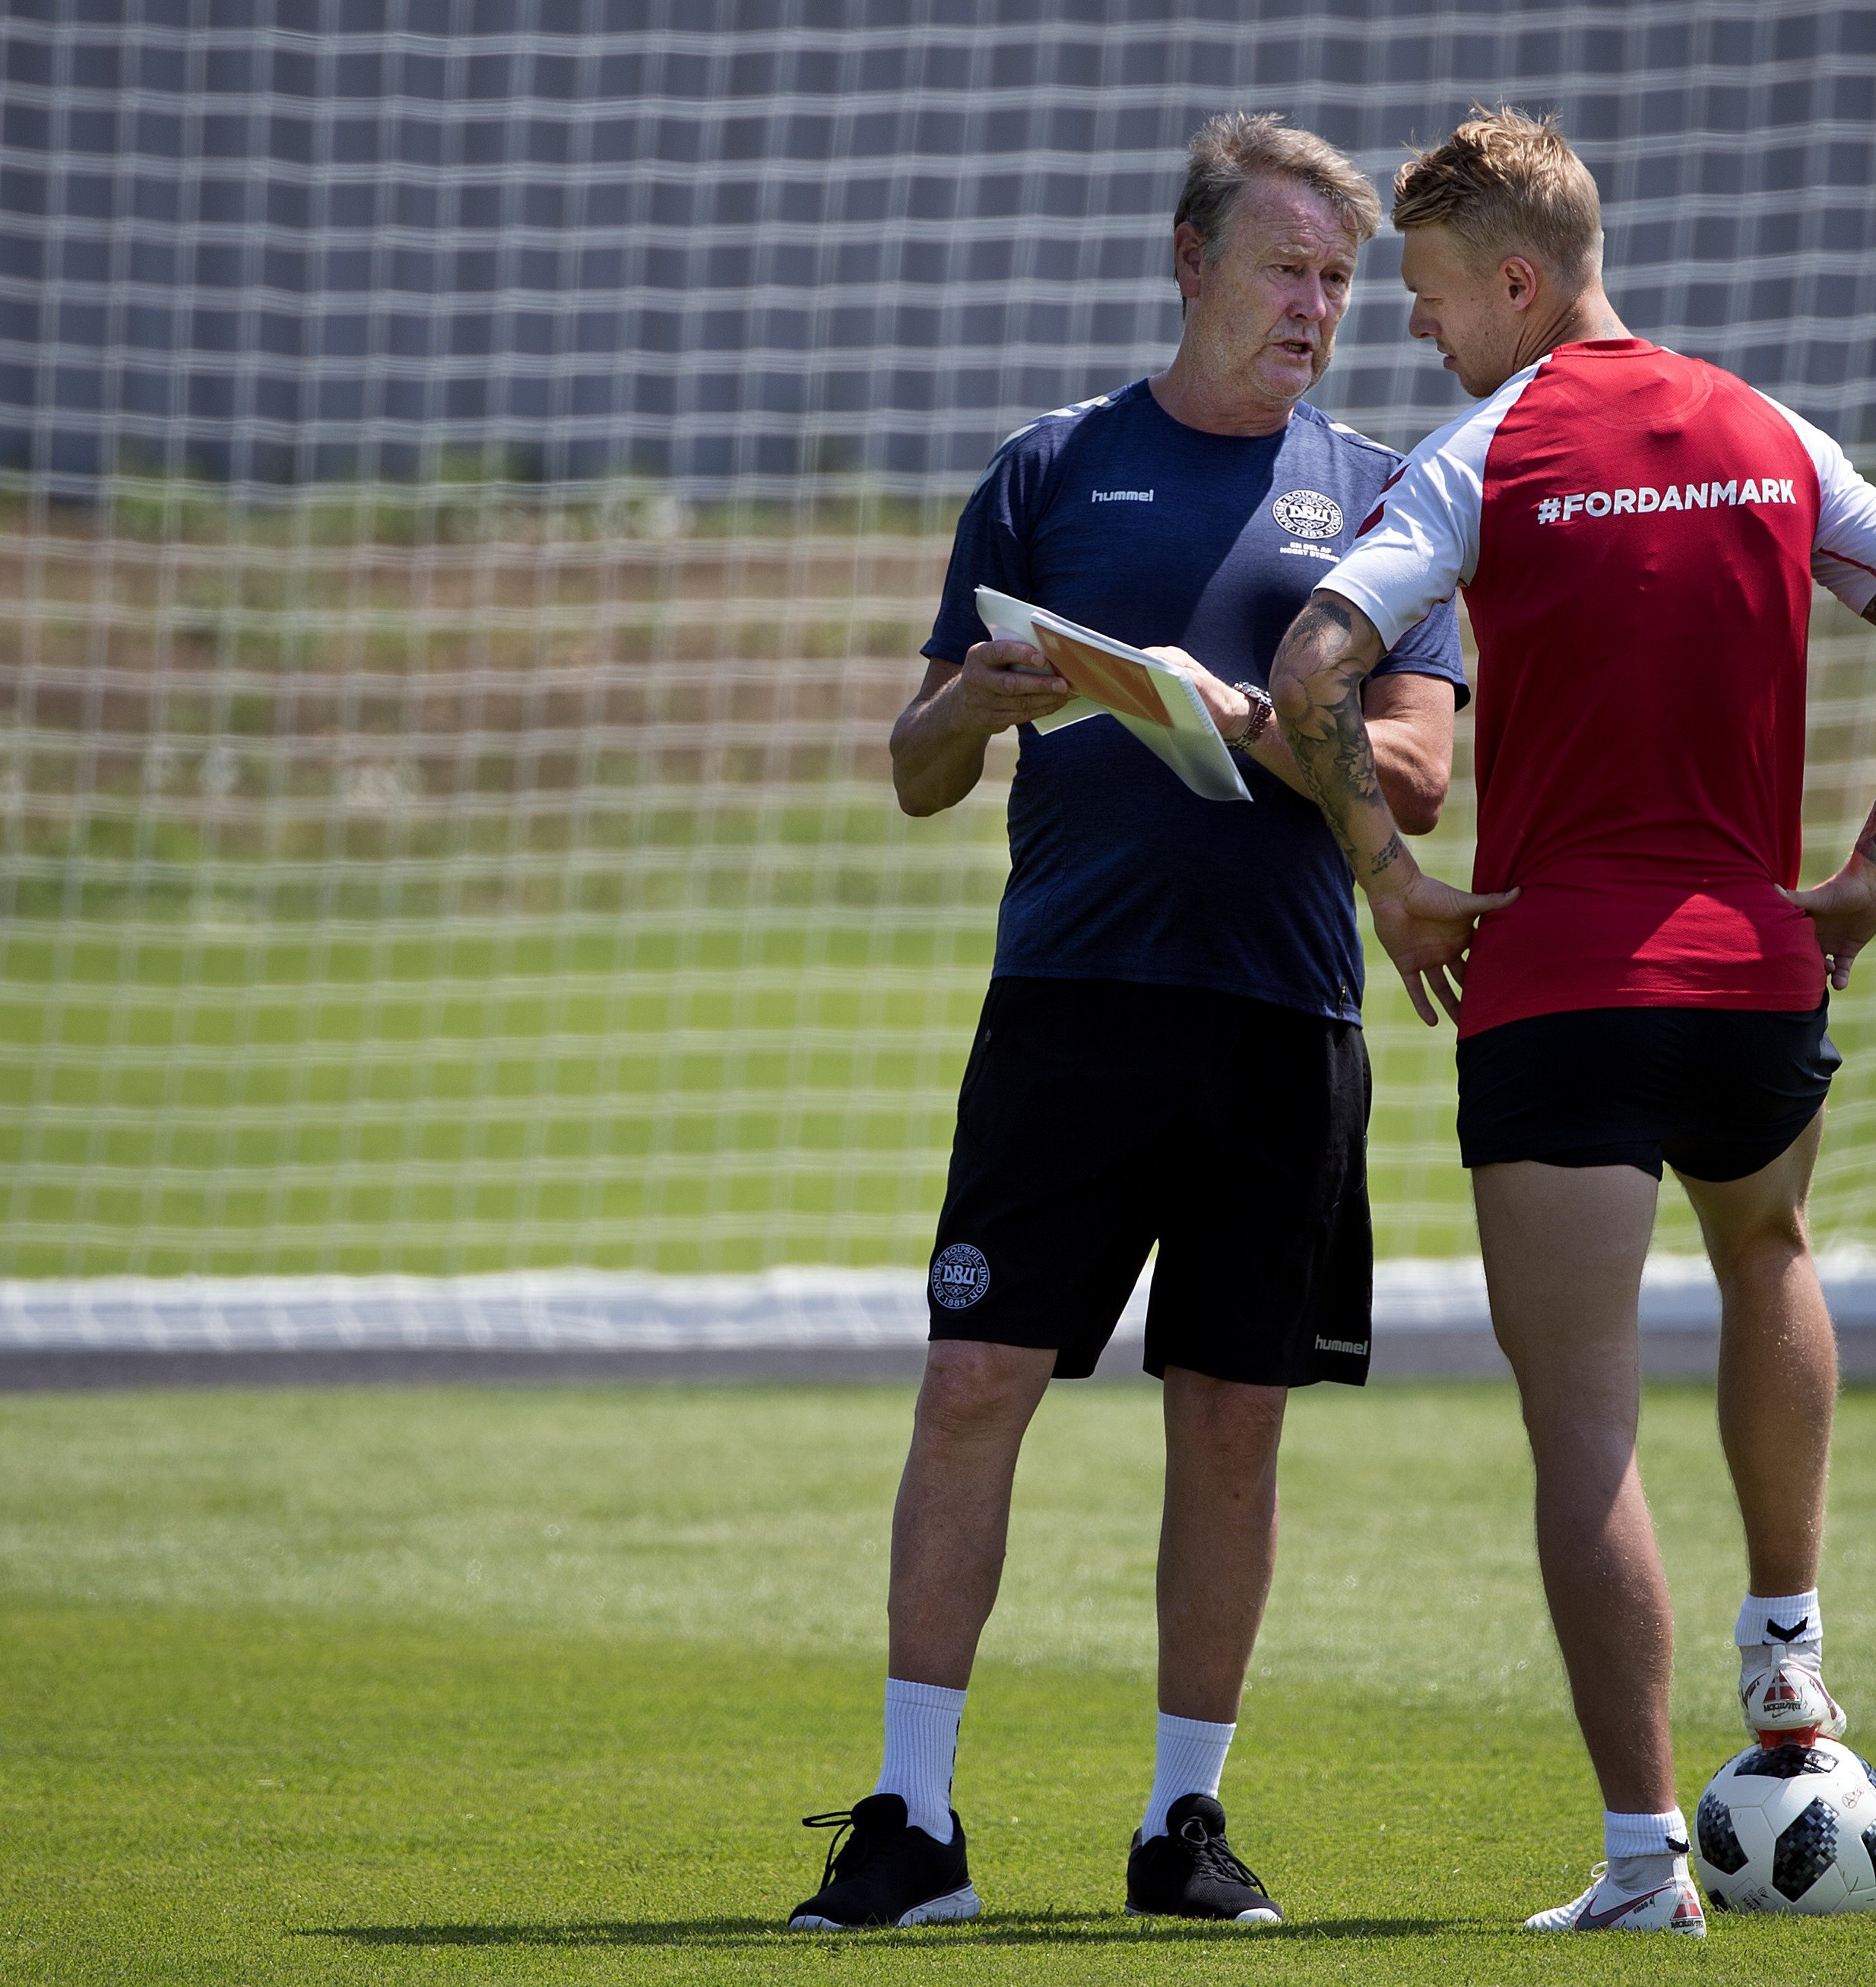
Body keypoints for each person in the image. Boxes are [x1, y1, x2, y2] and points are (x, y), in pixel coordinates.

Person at [1269, 108, 1876, 1937]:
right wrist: (1872, 874)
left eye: (1431, 297)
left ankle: (1638, 1863)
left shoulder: (1476, 453)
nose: (1418, 334)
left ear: (1517, 279)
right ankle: (1787, 1659)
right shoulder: (1768, 430)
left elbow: (1310, 669)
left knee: (1584, 1428)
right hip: (1757, 973)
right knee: (1769, 1249)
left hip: (1560, 986)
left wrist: (1390, 883)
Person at [785, 113, 1466, 1932]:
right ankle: (909, 1821)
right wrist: (995, 694)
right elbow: (921, 767)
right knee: (973, 1382)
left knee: (1230, 1416)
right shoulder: (1051, 467)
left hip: (1283, 1018)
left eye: (1339, 277)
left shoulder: (1393, 496)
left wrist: (1249, 717)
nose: (1318, 306)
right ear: (1191, 264)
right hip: (1070, 1010)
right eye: (1285, 267)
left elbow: (1413, 763)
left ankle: (1185, 1824)